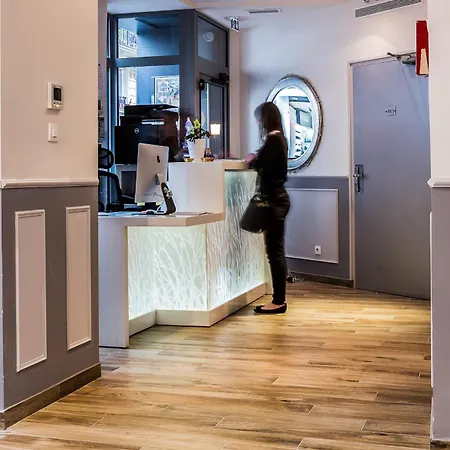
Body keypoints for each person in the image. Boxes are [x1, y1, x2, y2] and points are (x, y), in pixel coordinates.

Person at [247, 102, 291, 315]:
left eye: (259, 119)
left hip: (274, 200)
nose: (258, 123)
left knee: (274, 252)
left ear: (265, 119)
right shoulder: (280, 138)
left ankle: (278, 301)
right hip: (279, 199)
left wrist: (252, 160)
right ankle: (279, 299)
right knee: (276, 251)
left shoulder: (273, 139)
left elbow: (260, 164)